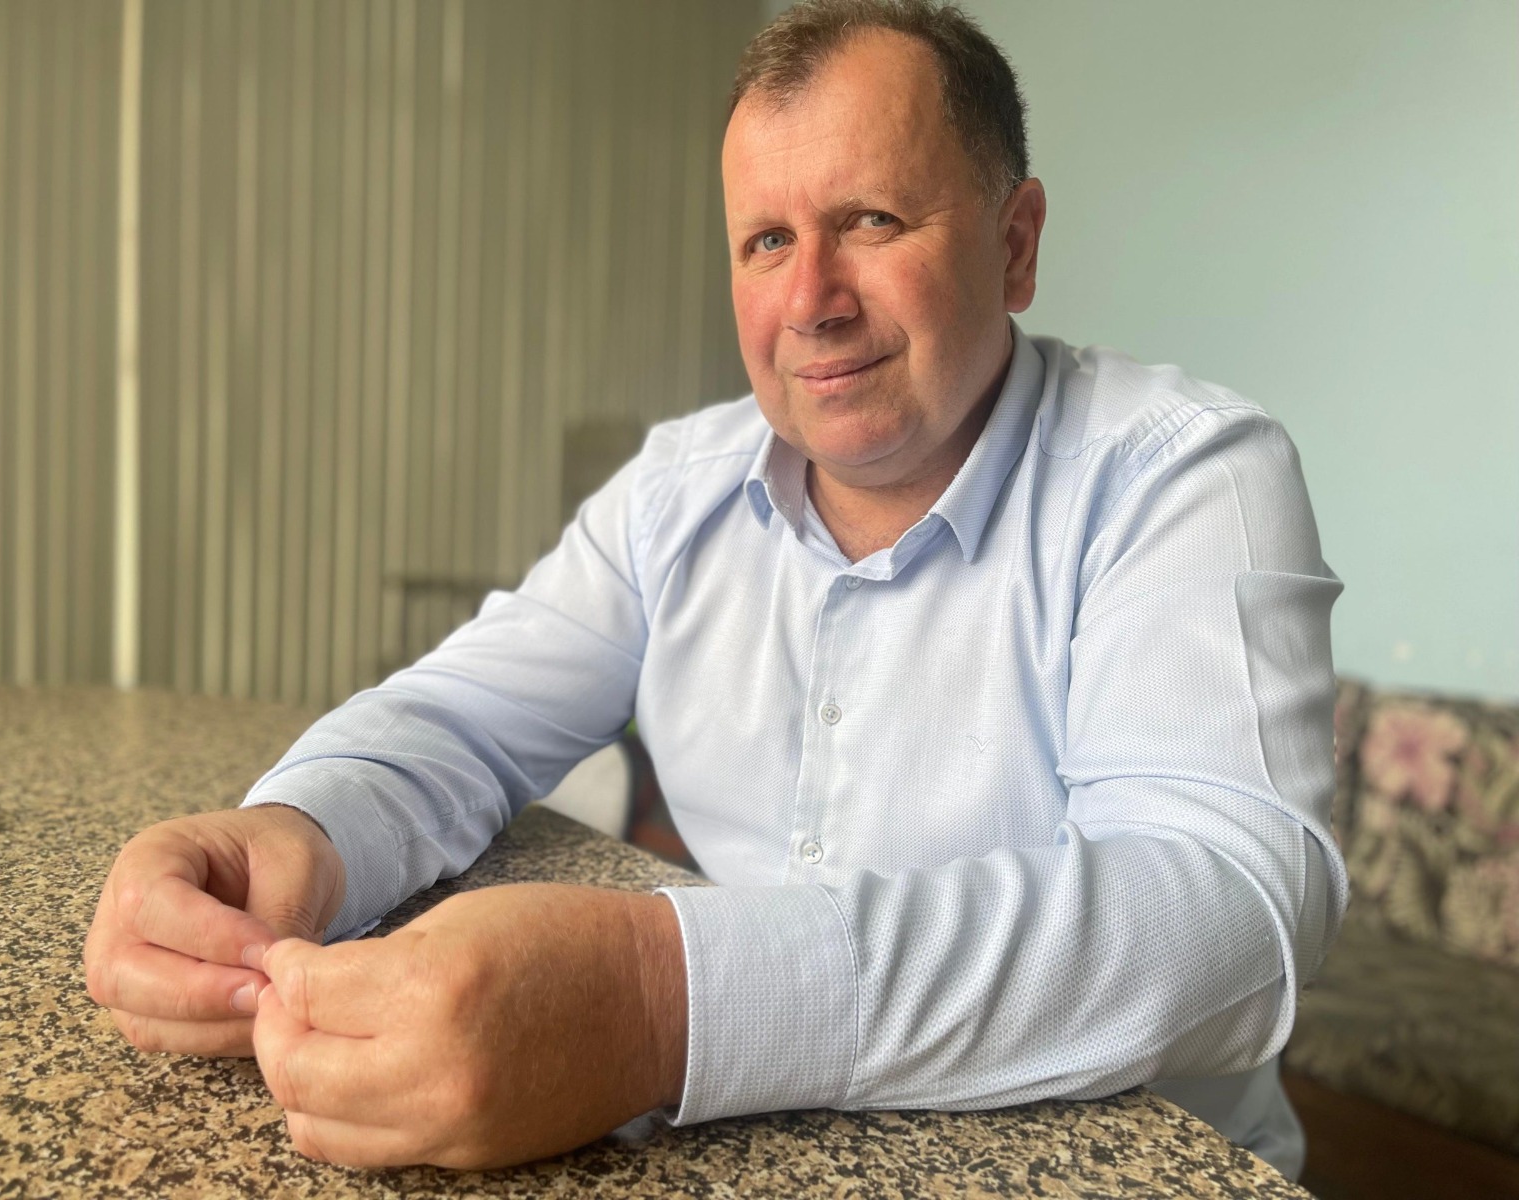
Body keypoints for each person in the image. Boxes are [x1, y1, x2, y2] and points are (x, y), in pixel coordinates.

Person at [83, 0, 1345, 1178]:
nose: (810, 301)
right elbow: (460, 718)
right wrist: (298, 830)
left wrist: (661, 1002)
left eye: (871, 221)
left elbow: (1227, 916)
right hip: (764, 1151)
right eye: (767, 241)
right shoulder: (675, 489)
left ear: (1013, 246)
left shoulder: (1182, 474)